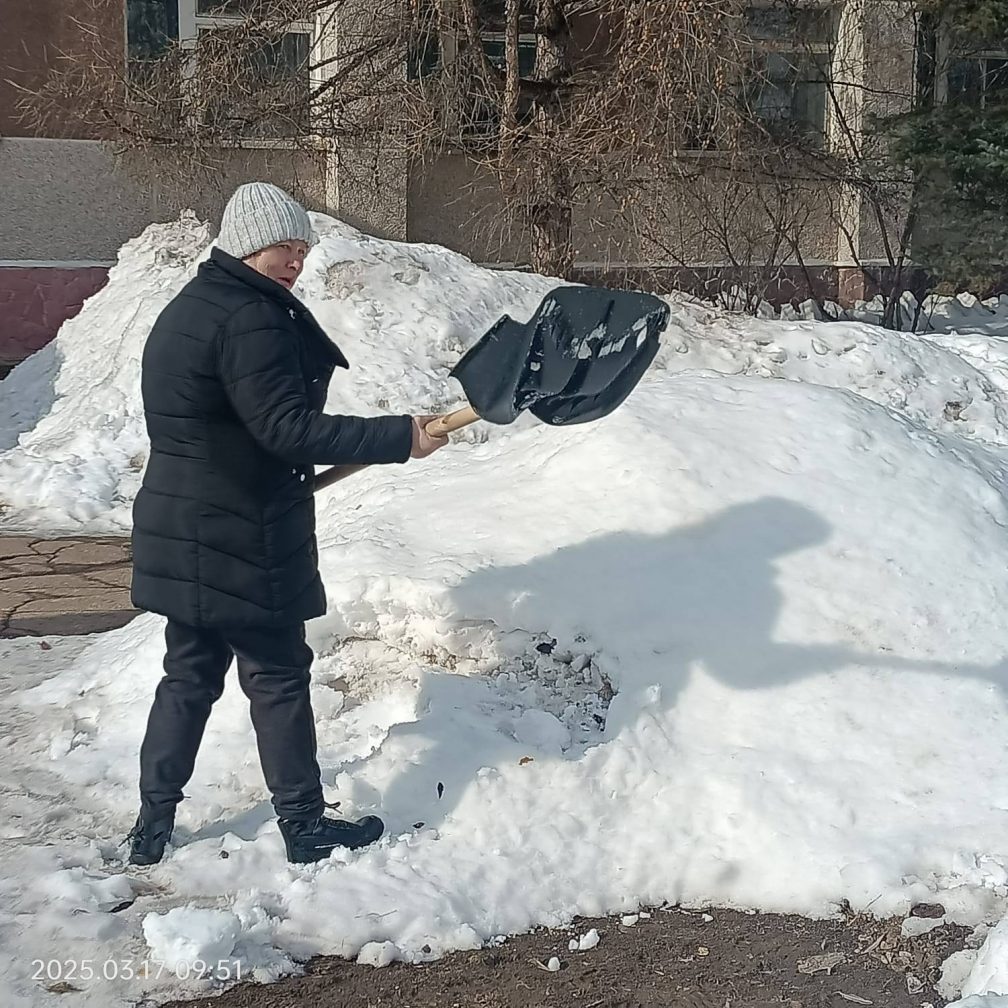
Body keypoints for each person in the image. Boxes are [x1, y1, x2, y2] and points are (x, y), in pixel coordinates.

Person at [127, 182, 447, 866]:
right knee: (277, 675)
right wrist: (400, 435)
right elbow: (286, 428)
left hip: (185, 525)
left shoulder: (195, 304)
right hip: (240, 533)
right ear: (248, 244)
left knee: (188, 676)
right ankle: (304, 826)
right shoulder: (250, 317)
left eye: (303, 249)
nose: (296, 262)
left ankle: (151, 825)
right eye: (284, 248)